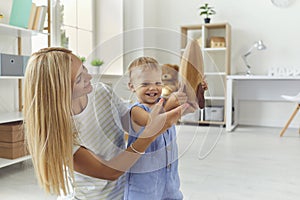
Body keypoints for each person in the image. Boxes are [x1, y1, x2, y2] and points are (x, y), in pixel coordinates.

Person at [23, 47, 190, 199]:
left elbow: (132, 124)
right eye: (80, 78)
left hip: (125, 190)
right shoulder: (56, 132)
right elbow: (109, 172)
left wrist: (176, 102)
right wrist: (150, 134)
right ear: (60, 90)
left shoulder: (102, 92)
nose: (89, 77)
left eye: (84, 69)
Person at [125, 56, 190, 200]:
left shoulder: (165, 102)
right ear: (132, 86)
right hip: (143, 188)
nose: (153, 88)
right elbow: (152, 122)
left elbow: (192, 105)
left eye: (157, 83)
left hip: (169, 183)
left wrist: (196, 90)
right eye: (145, 84)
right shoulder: (135, 111)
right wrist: (171, 104)